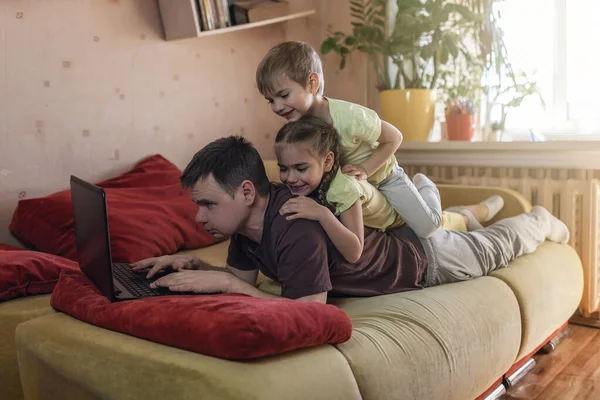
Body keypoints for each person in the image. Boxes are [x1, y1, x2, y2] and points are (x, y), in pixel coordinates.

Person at [132, 136, 569, 304]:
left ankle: (538, 218)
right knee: (458, 224)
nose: (197, 215)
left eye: (207, 204)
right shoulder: (245, 231)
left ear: (247, 192)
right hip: (400, 239)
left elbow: (309, 311)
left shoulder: (296, 225)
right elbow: (242, 283)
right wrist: (196, 267)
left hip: (424, 261)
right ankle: (466, 213)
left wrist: (225, 284)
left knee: (497, 247)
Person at [255, 41, 449, 239]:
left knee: (428, 228)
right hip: (357, 189)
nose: (277, 107)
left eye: (283, 95)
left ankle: (425, 186)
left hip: (384, 177)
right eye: (271, 100)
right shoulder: (298, 129)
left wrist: (366, 169)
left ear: (312, 83)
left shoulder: (350, 117)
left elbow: (394, 138)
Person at [275, 116, 502, 263]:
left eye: (300, 168)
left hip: (400, 222)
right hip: (385, 209)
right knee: (450, 218)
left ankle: (427, 187)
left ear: (327, 162)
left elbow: (354, 251)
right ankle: (469, 213)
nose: (291, 178)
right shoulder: (315, 182)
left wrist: (322, 214)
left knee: (437, 223)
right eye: (283, 169)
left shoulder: (342, 189)